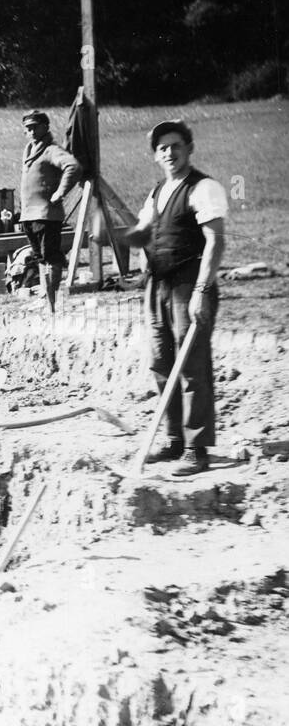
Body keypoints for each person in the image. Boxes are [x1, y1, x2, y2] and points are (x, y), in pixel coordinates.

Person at [123, 119, 227, 477]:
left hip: (189, 284)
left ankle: (196, 450)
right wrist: (124, 238)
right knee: (160, 363)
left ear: (189, 148)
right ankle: (174, 441)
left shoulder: (203, 187)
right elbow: (144, 232)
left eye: (175, 145)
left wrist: (201, 291)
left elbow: (215, 241)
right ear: (156, 155)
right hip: (159, 285)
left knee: (192, 366)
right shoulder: (156, 192)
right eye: (162, 147)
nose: (169, 152)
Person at [18, 109, 82, 314]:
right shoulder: (29, 150)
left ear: (45, 127)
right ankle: (46, 299)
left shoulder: (51, 150)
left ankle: (52, 302)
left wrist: (60, 192)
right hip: (29, 215)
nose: (31, 131)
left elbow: (72, 166)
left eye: (35, 126)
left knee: (50, 257)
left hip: (46, 215)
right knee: (40, 258)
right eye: (28, 128)